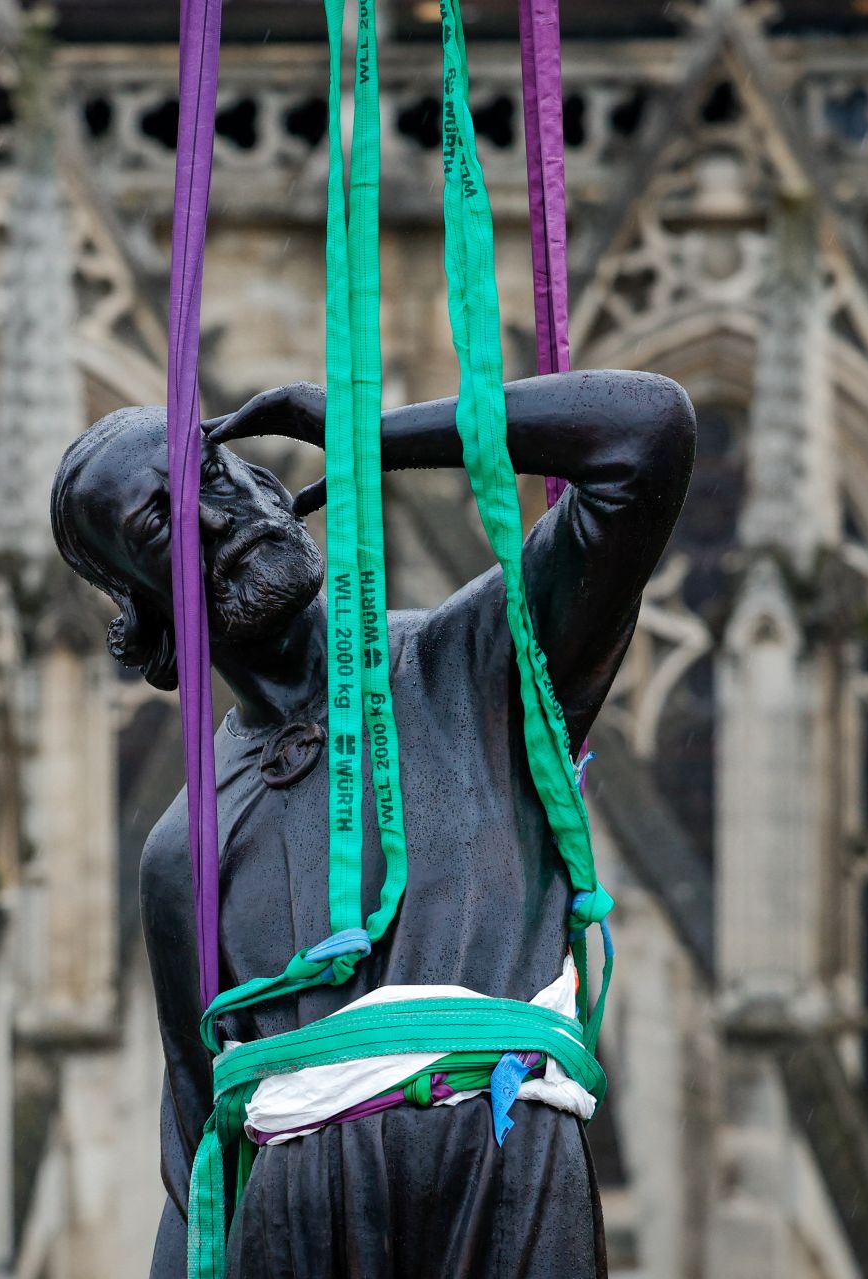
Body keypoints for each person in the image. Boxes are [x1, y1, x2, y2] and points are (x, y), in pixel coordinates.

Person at [50, 368, 695, 1278]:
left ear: (274, 481)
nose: (213, 516)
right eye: (159, 522)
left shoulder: (483, 663)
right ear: (138, 607)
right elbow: (201, 1166)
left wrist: (373, 432)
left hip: (507, 1202)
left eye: (215, 472)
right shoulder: (183, 850)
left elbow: (648, 435)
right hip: (299, 1239)